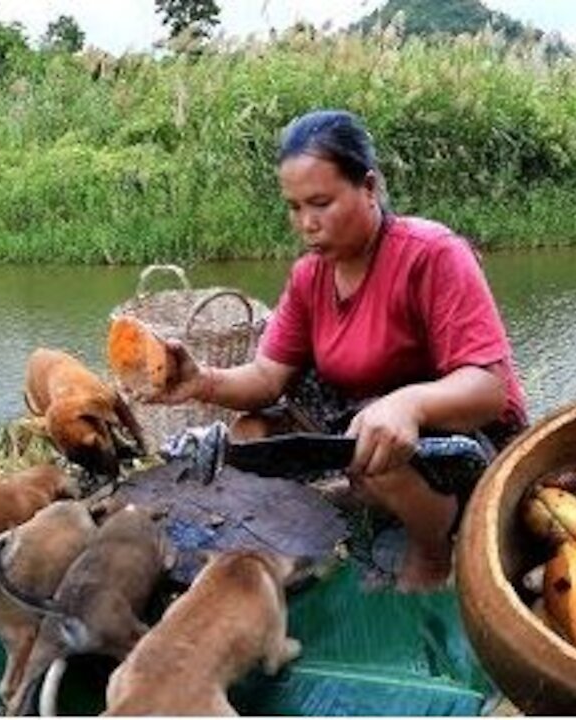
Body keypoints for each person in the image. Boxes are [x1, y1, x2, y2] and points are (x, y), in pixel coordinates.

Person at [146, 109, 527, 591]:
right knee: (251, 433)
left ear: (368, 187)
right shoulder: (311, 275)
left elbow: (489, 389)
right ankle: (337, 514)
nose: (307, 224)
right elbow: (267, 377)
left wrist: (407, 403)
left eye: (321, 203)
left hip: (462, 438)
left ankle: (434, 549)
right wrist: (203, 381)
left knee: (379, 450)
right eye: (294, 207)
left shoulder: (432, 254)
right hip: (360, 423)